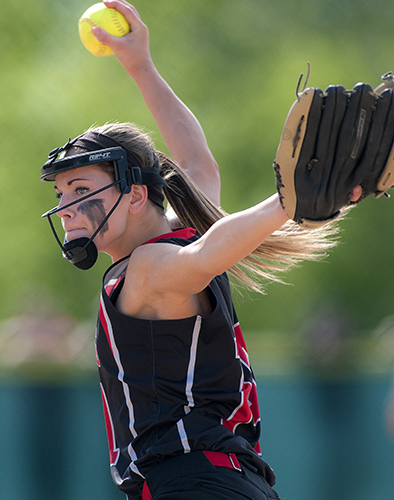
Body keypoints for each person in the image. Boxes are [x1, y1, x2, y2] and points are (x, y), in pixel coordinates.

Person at [40, 1, 363, 498]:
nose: (66, 207)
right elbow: (195, 162)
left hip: (190, 482)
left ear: (135, 195)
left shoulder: (144, 270)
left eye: (81, 189)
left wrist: (286, 203)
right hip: (233, 480)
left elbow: (204, 256)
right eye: (61, 194)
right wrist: (139, 65)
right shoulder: (179, 237)